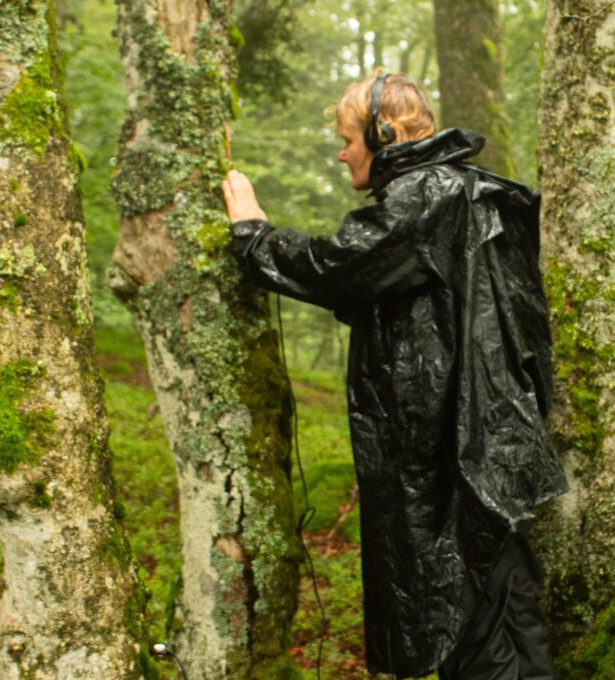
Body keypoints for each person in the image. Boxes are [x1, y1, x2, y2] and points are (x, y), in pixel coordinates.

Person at [222, 71, 566, 680]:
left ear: (383, 134)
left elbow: (342, 265)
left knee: (474, 629)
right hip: (491, 448)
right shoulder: (462, 192)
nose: (341, 151)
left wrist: (254, 237)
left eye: (348, 138)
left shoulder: (427, 194)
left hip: (461, 456)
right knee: (506, 614)